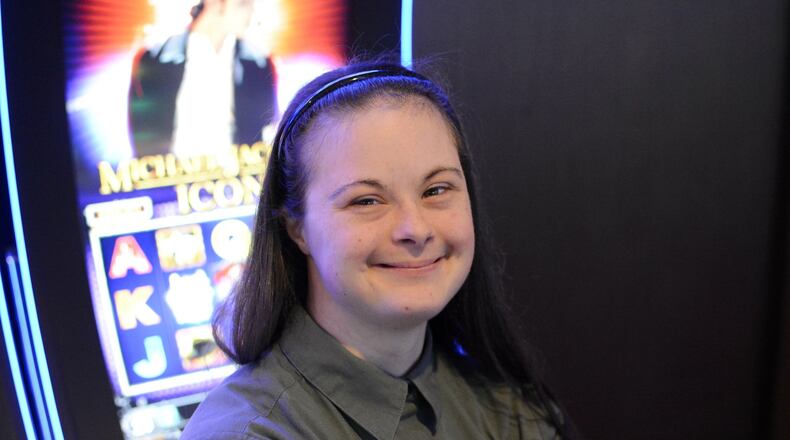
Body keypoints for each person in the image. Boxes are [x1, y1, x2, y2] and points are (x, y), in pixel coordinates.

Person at [181, 61, 579, 439]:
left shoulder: (506, 407)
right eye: (367, 201)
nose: (415, 229)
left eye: (436, 190)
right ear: (296, 228)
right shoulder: (246, 434)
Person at [129, 0, 276, 157]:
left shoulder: (258, 65)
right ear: (215, 3)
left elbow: (267, 129)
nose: (251, 14)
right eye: (243, 4)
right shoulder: (155, 59)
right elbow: (143, 132)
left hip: (238, 178)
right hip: (172, 177)